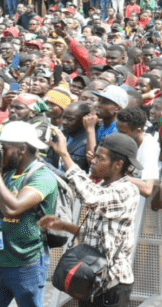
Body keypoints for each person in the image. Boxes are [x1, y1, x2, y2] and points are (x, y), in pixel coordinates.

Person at [42, 131, 140, 307]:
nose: (93, 161)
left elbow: (91, 197)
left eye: (99, 158)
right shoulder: (103, 186)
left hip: (112, 284)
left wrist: (65, 155)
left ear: (118, 164)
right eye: (94, 156)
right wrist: (64, 226)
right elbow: (93, 235)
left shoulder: (127, 190)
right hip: (90, 279)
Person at [0, 122, 58, 307]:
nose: (0, 153)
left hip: (27, 264)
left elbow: (12, 208)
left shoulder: (42, 177)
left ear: (22, 149)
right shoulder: (9, 172)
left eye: (4, 148)